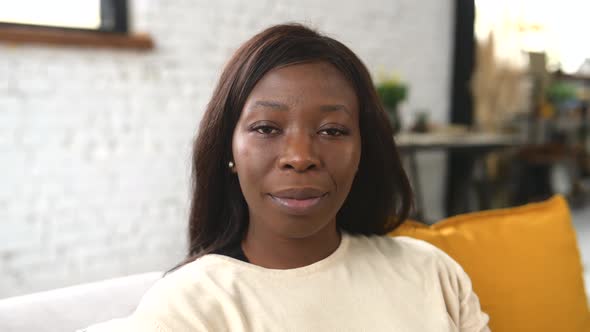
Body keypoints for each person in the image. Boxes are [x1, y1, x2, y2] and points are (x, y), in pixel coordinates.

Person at [84, 23, 490, 331]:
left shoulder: (431, 273)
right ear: (229, 150)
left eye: (332, 130)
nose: (300, 157)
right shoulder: (188, 308)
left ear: (364, 150)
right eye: (266, 129)